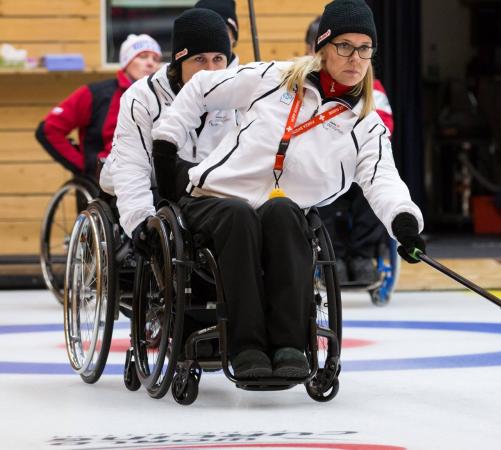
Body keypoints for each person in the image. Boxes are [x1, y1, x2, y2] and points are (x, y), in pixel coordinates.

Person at [150, 0, 426, 379]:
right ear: (322, 48)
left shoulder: (366, 125)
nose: (355, 58)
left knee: (284, 215)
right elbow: (201, 86)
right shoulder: (274, 77)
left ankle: (290, 346)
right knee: (239, 214)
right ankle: (245, 346)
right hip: (216, 201)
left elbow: (384, 180)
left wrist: (405, 224)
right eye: (344, 46)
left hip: (284, 211)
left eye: (364, 49)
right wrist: (167, 140)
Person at [99, 8, 237, 243]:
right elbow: (131, 167)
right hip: (145, 182)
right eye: (199, 59)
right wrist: (140, 222)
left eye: (218, 59)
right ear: (180, 61)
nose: (211, 71)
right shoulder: (142, 96)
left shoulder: (237, 95)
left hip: (199, 189)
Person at [306, 15, 393, 284]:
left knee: (373, 192)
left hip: (359, 167)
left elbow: (385, 129)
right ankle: (335, 258)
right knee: (319, 197)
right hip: (322, 167)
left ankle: (363, 256)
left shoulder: (372, 89)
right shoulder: (300, 86)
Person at [36, 34, 161, 179]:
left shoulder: (164, 96)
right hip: (106, 179)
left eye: (156, 59)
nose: (151, 63)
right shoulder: (96, 93)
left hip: (151, 175)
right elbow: (48, 129)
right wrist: (84, 167)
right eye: (143, 56)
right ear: (126, 62)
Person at [194, 0, 241, 67]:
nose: (213, 37)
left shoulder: (249, 76)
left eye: (221, 31)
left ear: (233, 38)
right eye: (204, 30)